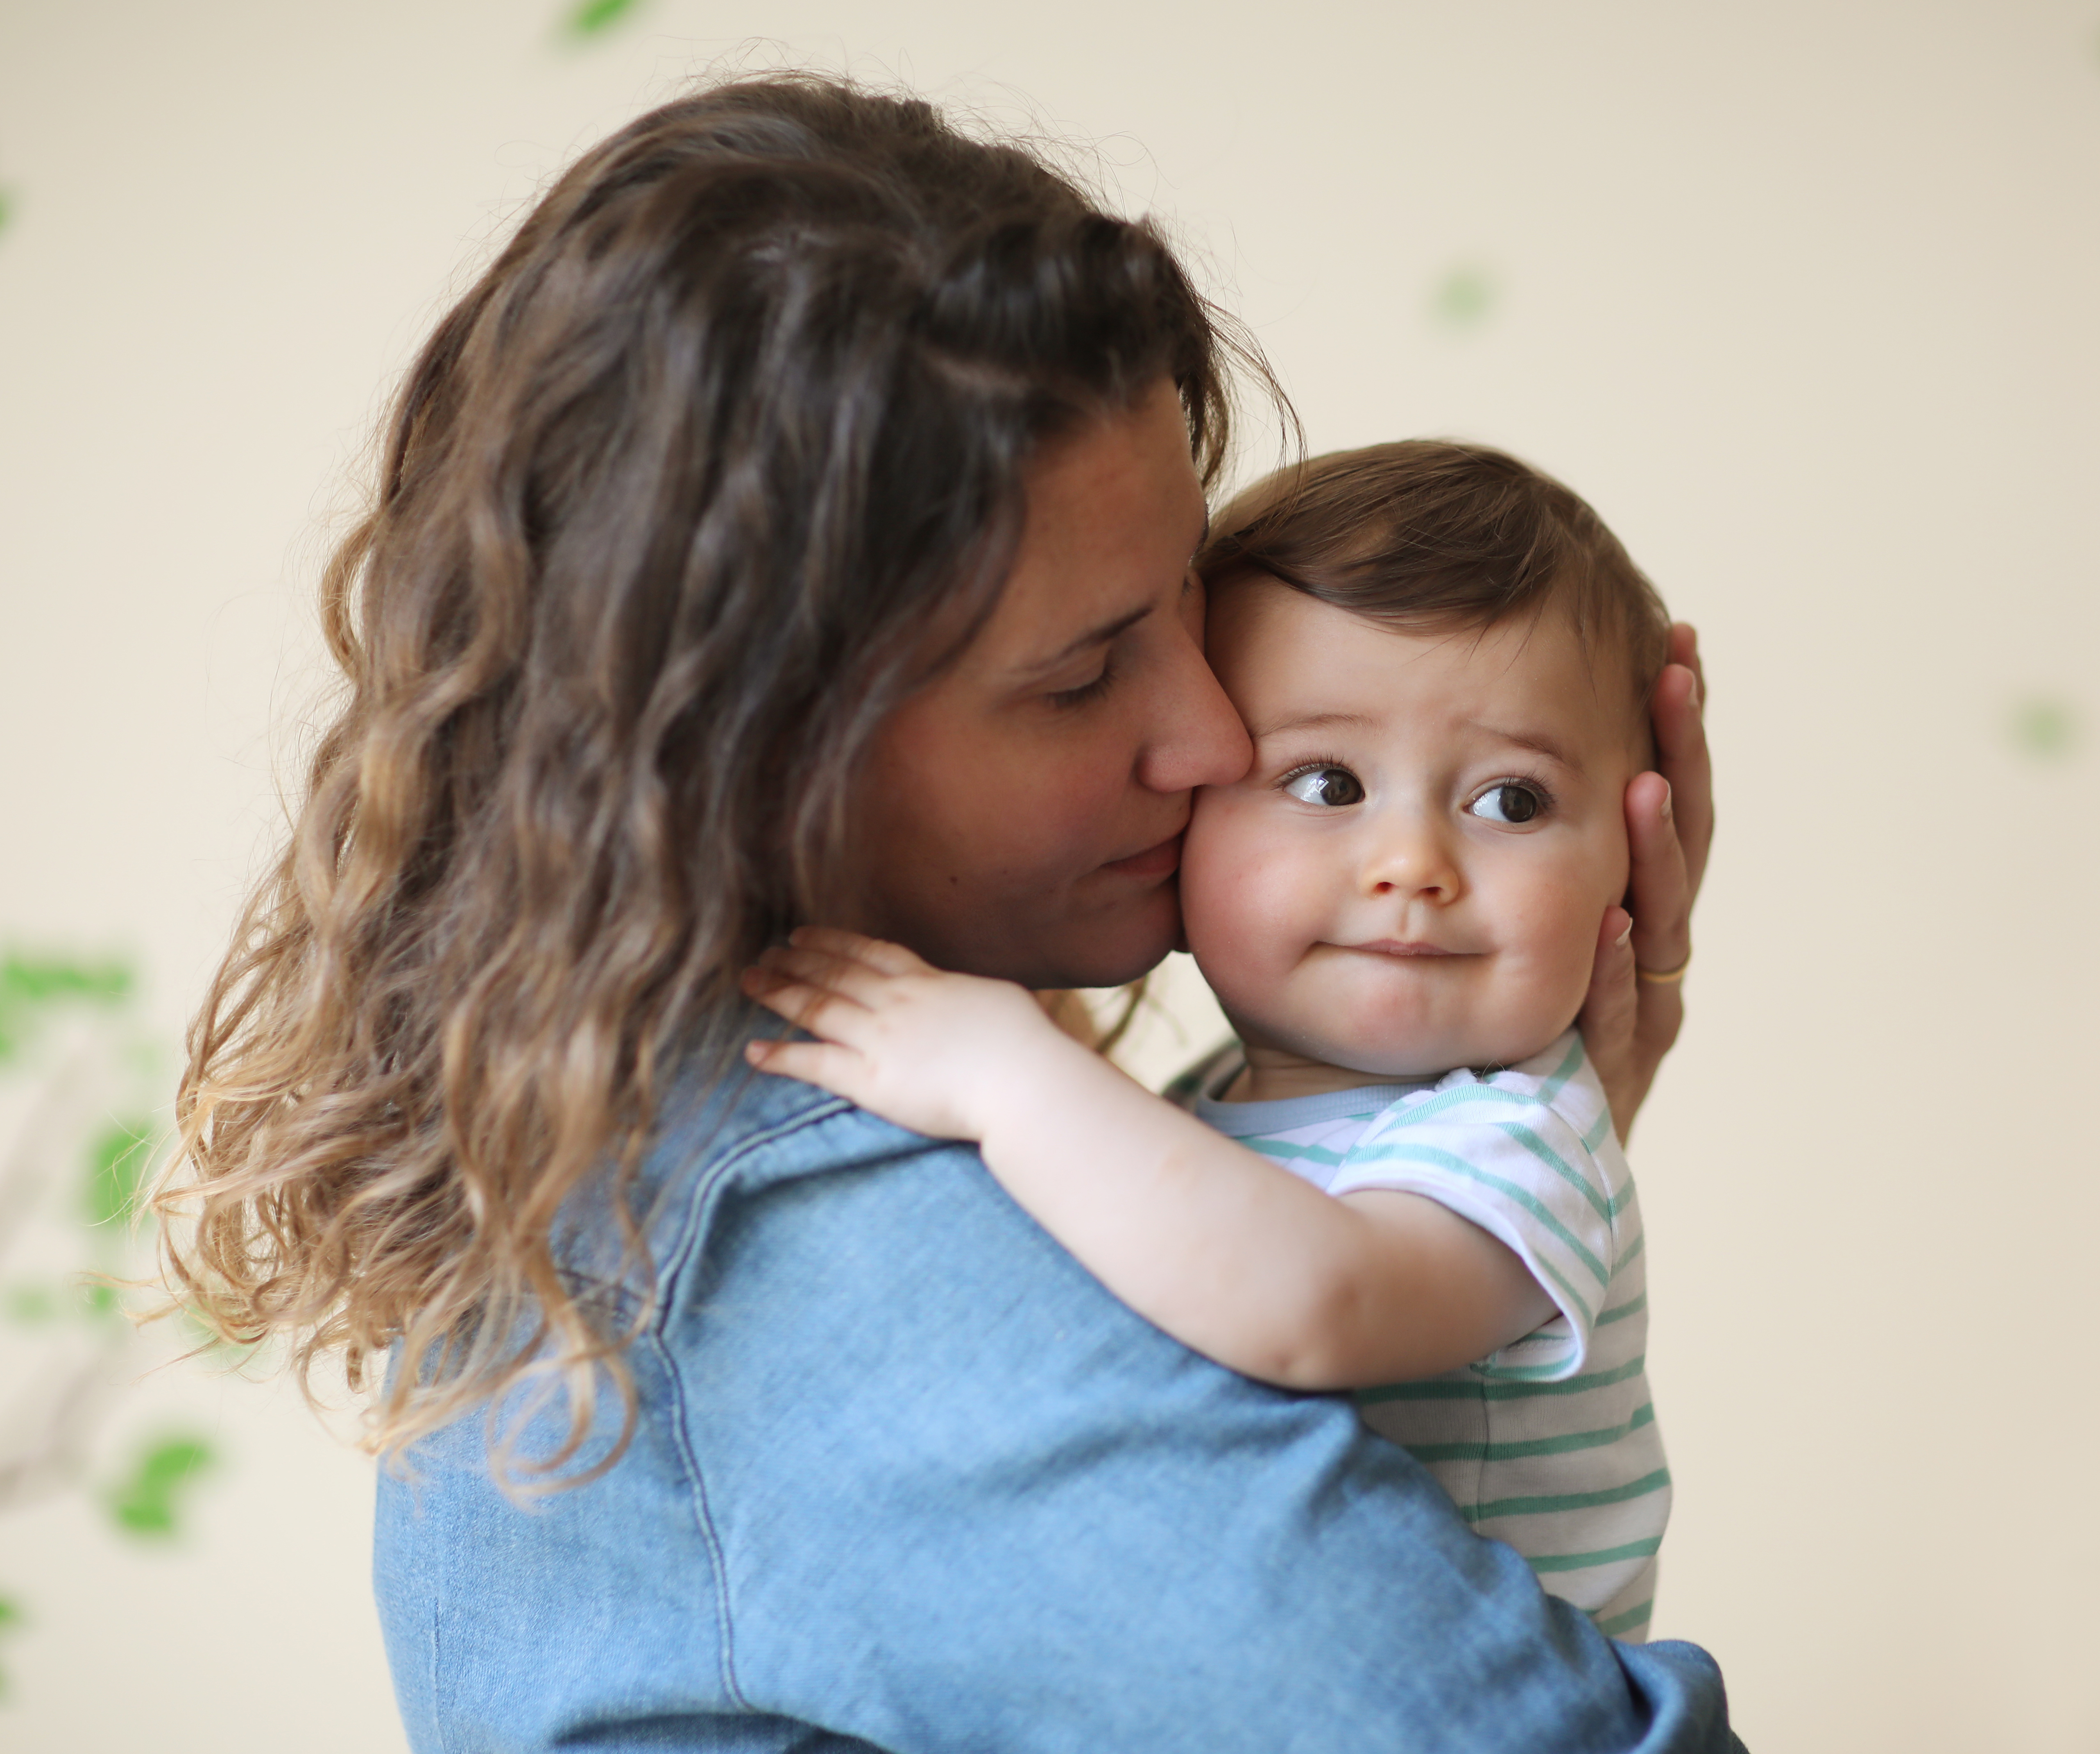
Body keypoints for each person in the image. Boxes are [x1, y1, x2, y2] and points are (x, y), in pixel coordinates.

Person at [161, 74, 1731, 1750]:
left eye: (1186, 608)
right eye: (1078, 677)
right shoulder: (805, 1228)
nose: (1215, 737)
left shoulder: (637, 1129)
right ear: (763, 754)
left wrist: (1473, 1149)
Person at [745, 440, 1675, 1641]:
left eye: (1512, 801)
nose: (1414, 867)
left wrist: (1004, 1073)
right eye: (1328, 784)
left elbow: (1315, 1300)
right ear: (1188, 820)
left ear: (1637, 869)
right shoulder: (1200, 1110)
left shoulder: (1520, 1138)